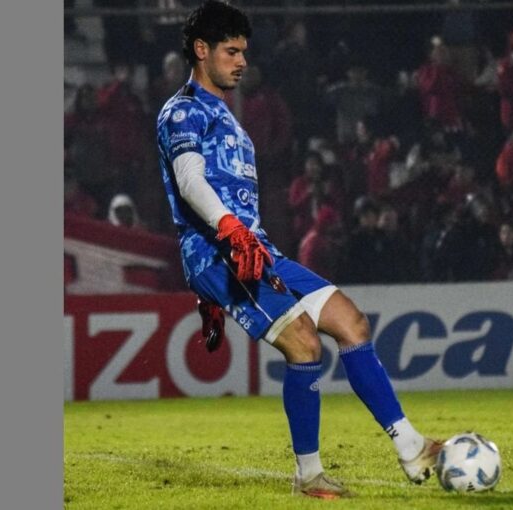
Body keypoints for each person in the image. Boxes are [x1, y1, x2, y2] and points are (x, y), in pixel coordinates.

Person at [155, 1, 441, 499]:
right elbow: (188, 181)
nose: (242, 61)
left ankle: (411, 445)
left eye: (244, 51)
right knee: (304, 343)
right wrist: (224, 245)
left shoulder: (229, 118)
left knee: (351, 323)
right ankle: (309, 476)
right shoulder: (182, 110)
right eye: (231, 51)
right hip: (218, 250)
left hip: (253, 250)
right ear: (201, 51)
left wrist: (221, 280)